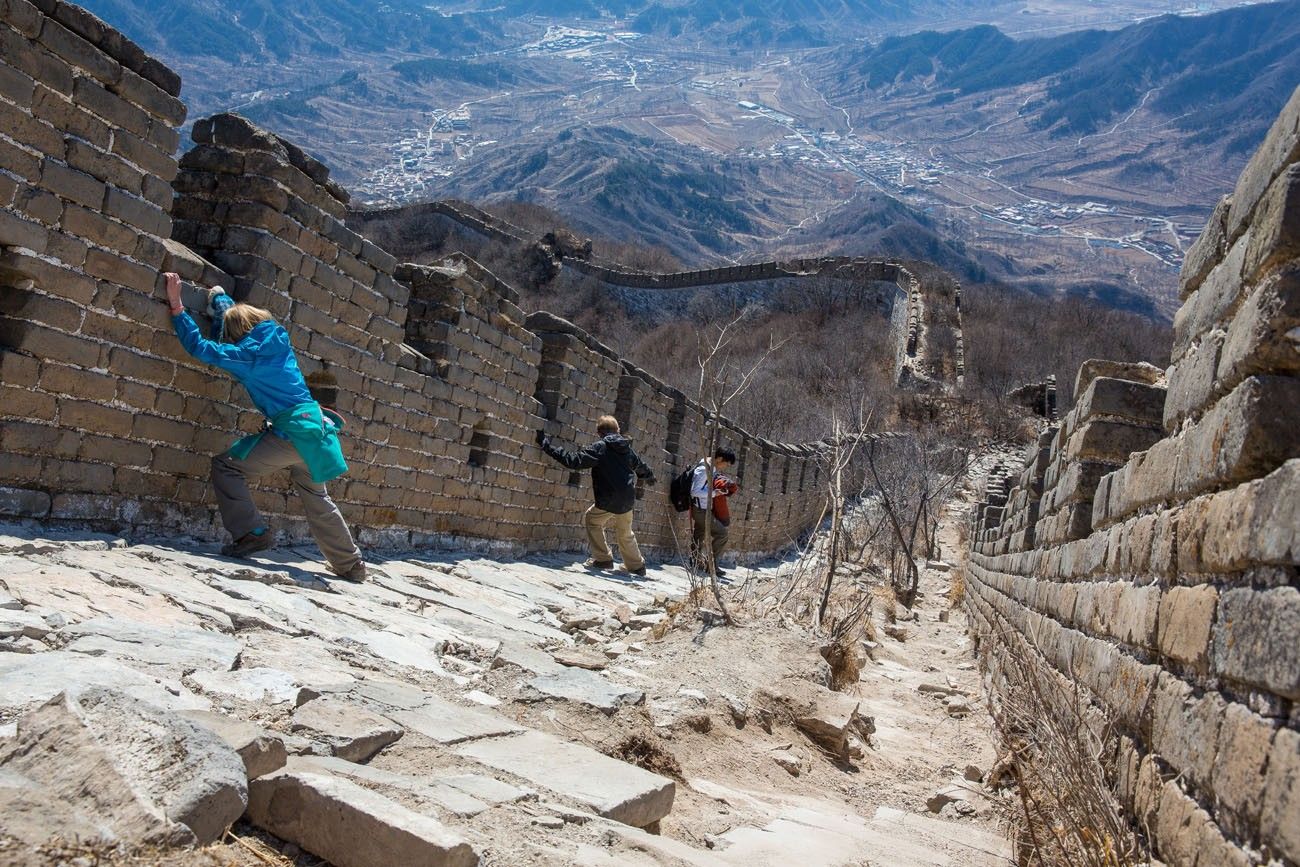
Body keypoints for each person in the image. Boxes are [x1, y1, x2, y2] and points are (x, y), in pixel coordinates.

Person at [163, 272, 366, 582]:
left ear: (237, 334)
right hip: (317, 433)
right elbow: (236, 318)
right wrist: (218, 296)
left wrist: (177, 305)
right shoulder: (278, 338)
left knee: (227, 468)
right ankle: (351, 565)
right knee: (317, 497)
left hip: (290, 435)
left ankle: (251, 532)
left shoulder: (247, 356)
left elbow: (202, 348)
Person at [536, 415, 656, 576]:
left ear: (600, 432)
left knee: (592, 520)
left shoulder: (600, 447)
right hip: (627, 498)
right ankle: (637, 566)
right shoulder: (626, 448)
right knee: (625, 532)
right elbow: (640, 466)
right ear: (617, 431)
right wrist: (648, 476)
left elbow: (574, 461)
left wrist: (547, 446)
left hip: (608, 498)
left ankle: (603, 559)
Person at [690, 447, 739, 575]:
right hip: (700, 509)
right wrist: (714, 493)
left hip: (704, 508)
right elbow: (694, 491)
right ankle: (710, 565)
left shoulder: (711, 468)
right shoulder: (703, 470)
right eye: (726, 463)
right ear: (719, 459)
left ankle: (695, 561)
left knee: (699, 536)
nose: (726, 466)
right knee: (722, 534)